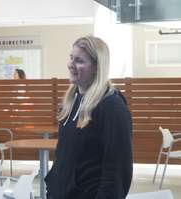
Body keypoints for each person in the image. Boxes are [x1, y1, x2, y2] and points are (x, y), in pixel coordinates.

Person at [45, 36, 133, 199]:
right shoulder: (70, 103)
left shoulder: (112, 107)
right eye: (71, 58)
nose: (71, 64)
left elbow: (117, 172)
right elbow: (63, 158)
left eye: (79, 60)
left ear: (96, 67)